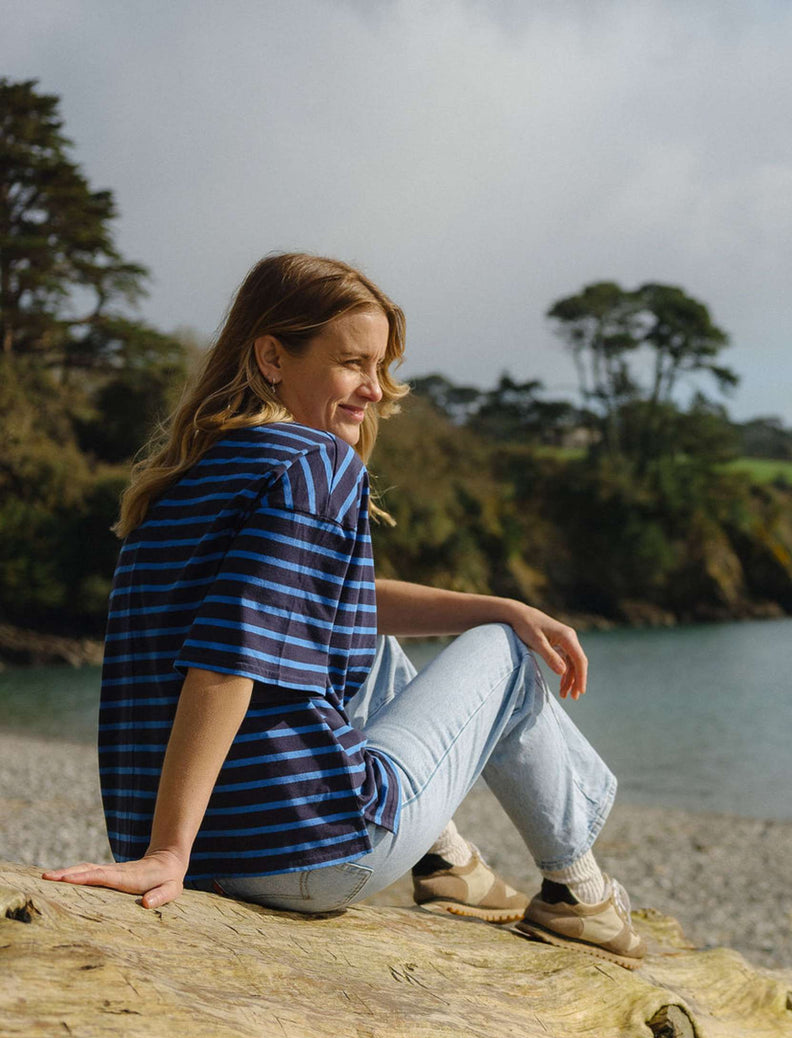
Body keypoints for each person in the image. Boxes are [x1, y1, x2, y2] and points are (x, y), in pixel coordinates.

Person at [44, 253, 645, 970]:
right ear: (271, 355)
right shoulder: (313, 464)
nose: (376, 389)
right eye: (353, 363)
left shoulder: (189, 475)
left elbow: (337, 604)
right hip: (307, 853)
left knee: (433, 637)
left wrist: (503, 603)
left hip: (219, 852)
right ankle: (579, 893)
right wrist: (167, 852)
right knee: (509, 655)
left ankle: (447, 859)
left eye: (382, 366)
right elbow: (227, 657)